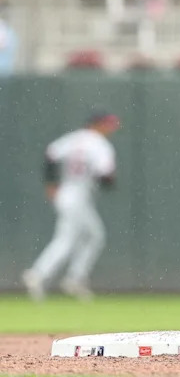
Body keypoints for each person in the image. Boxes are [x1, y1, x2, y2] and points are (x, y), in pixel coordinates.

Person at [22, 109, 120, 301]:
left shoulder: (73, 139)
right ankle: (38, 274)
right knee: (67, 239)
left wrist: (51, 184)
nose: (111, 128)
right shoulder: (100, 145)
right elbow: (105, 176)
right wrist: (110, 180)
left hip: (66, 192)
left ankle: (74, 278)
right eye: (107, 123)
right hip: (78, 194)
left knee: (94, 236)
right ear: (96, 123)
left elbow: (50, 155)